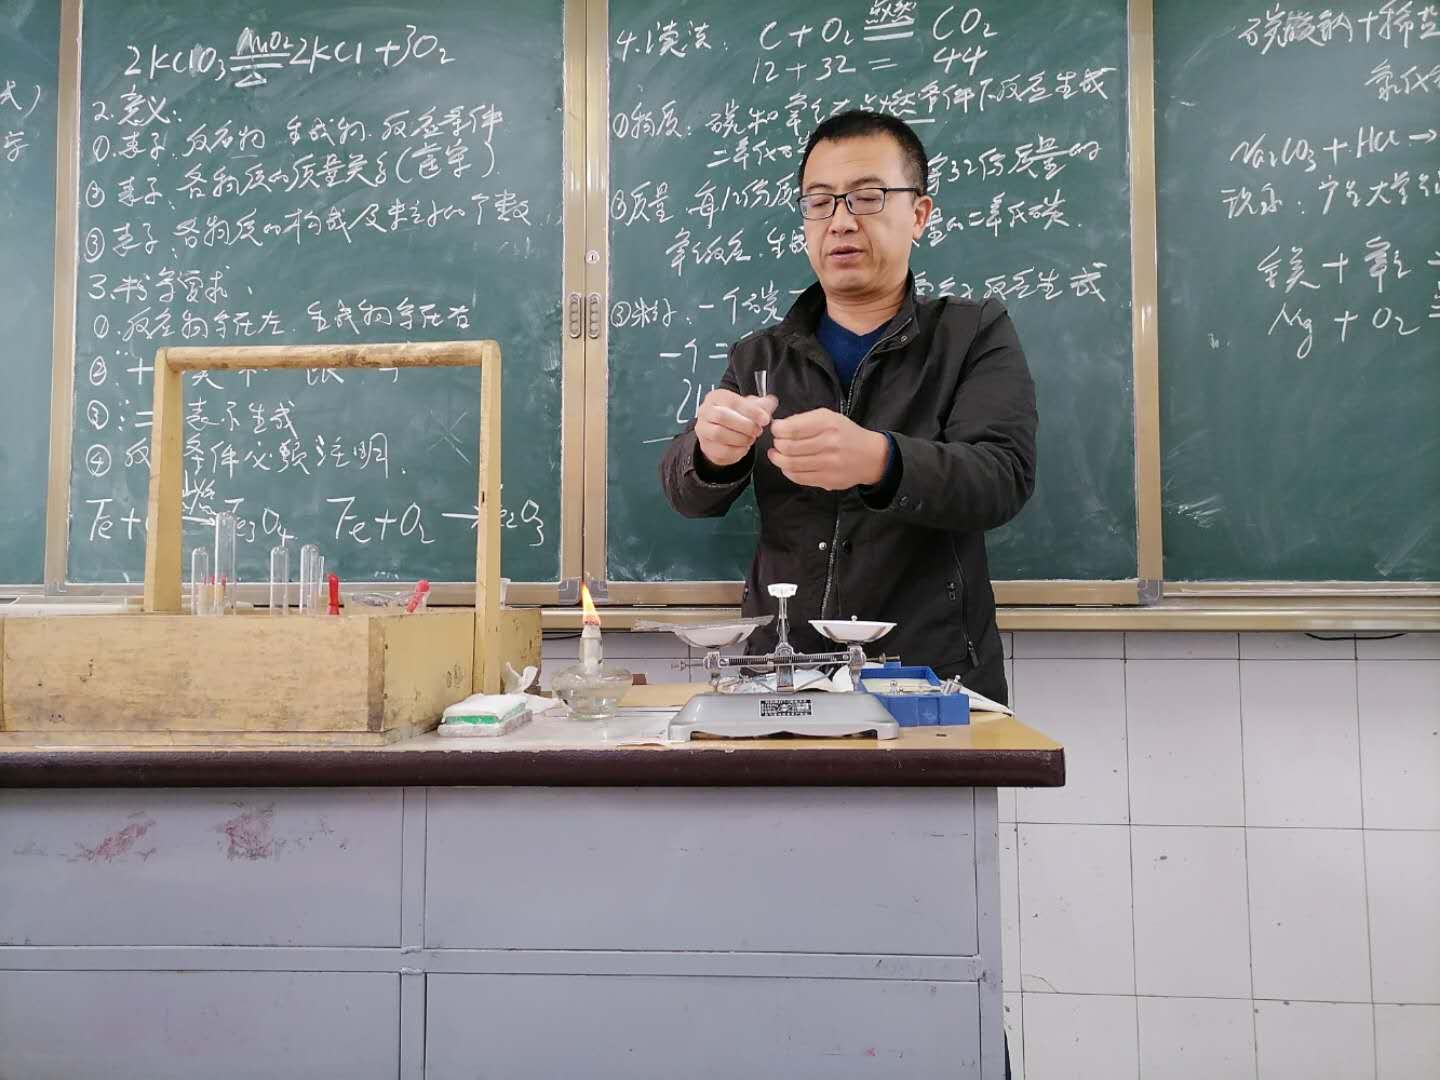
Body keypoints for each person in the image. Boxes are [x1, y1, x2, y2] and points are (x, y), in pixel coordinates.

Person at [659, 109, 1037, 707]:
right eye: (819, 202)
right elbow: (688, 495)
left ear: (919, 214)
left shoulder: (972, 334)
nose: (840, 221)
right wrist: (710, 455)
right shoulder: (762, 355)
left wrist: (882, 461)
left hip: (933, 677)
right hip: (783, 676)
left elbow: (1002, 478)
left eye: (867, 197)